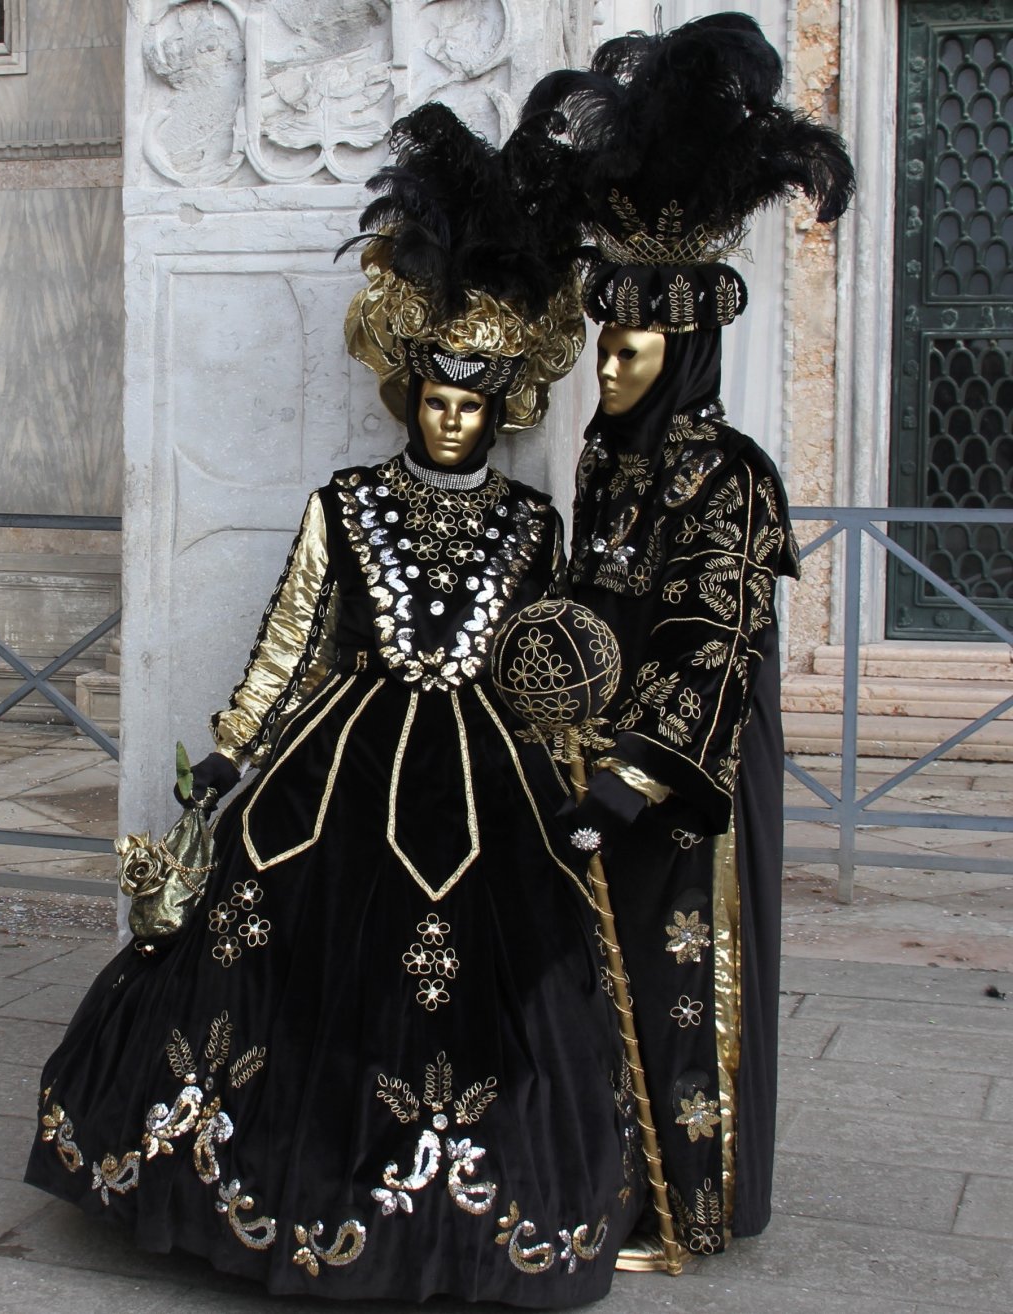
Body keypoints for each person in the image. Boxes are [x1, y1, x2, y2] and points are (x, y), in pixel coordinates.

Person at [26, 104, 643, 1307]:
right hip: (340, 759)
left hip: (487, 774)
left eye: (475, 403)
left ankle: (452, 1204)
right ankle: (266, 1186)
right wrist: (230, 749)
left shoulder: (531, 522)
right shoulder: (346, 502)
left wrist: (587, 755)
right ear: (407, 393)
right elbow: (293, 638)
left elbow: (543, 656)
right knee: (274, 946)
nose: (452, 417)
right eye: (435, 398)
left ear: (504, 405)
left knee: (495, 976)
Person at [522, 12, 853, 1261]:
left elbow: (713, 638)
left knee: (673, 981)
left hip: (682, 776)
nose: (610, 368)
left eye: (636, 346)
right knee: (590, 987)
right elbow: (585, 590)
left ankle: (684, 1205)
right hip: (592, 756)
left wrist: (628, 776)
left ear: (687, 349)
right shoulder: (606, 459)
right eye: (606, 344)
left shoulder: (737, 477)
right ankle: (600, 1180)